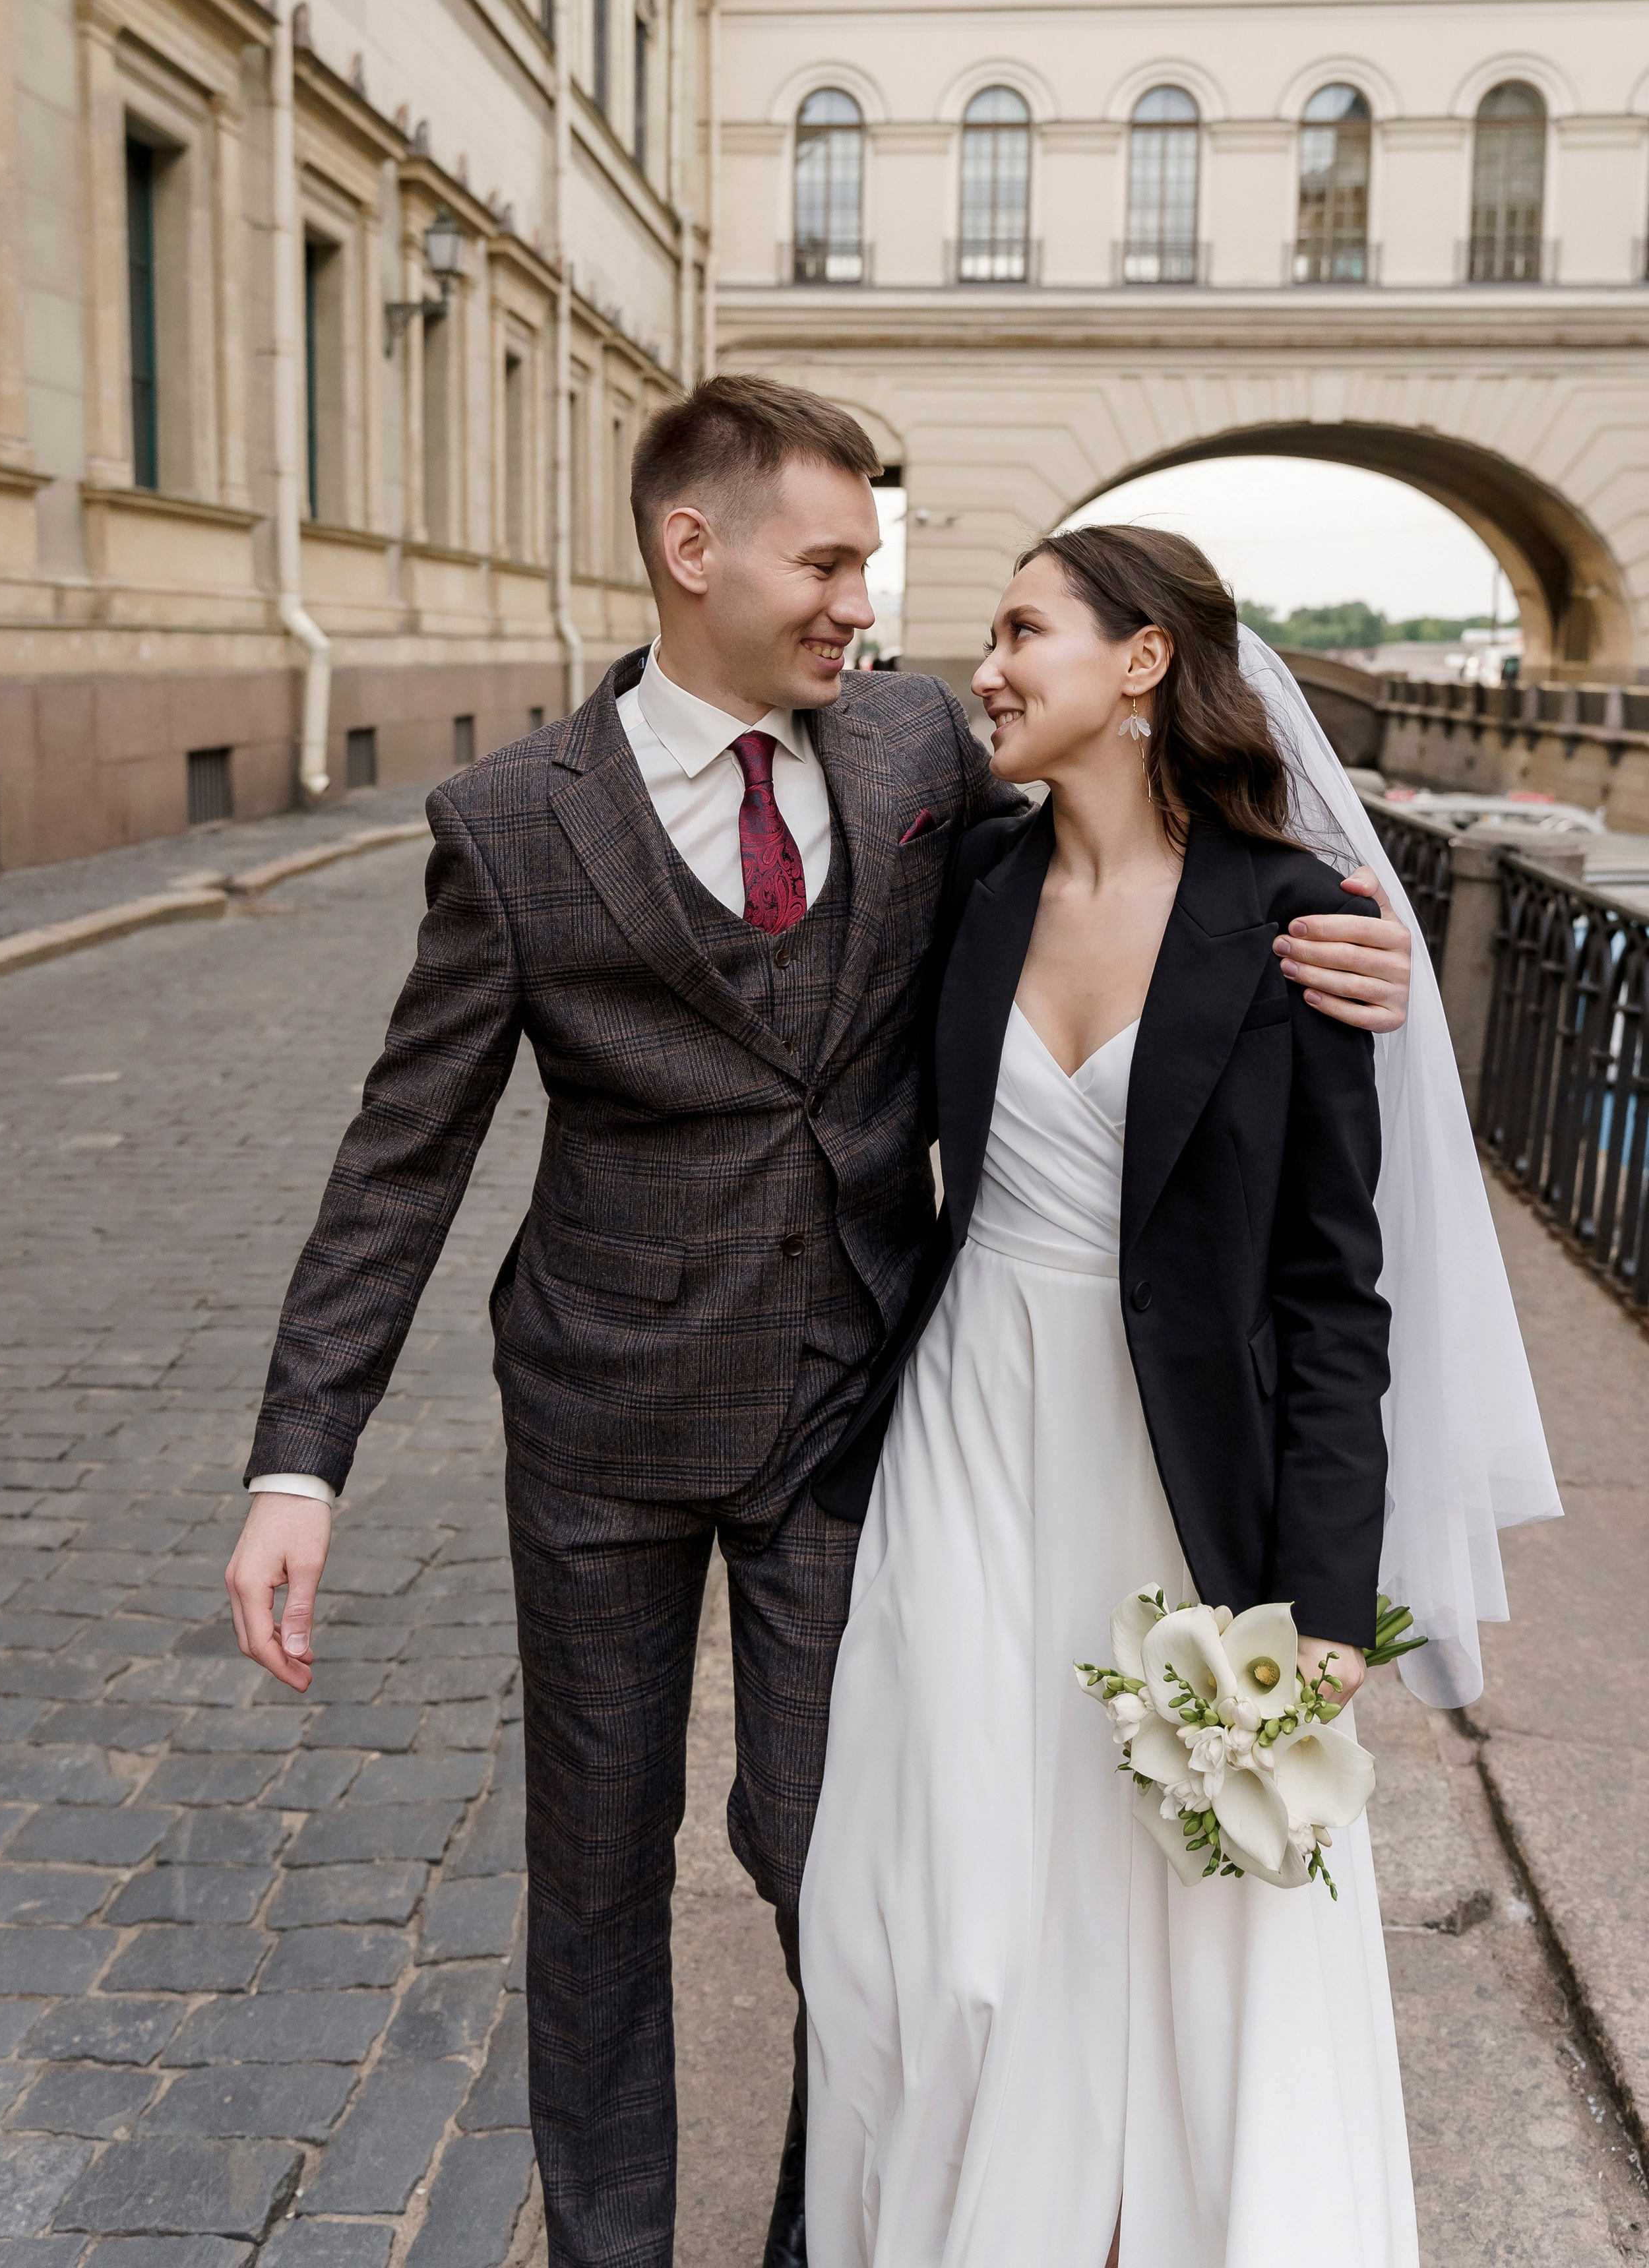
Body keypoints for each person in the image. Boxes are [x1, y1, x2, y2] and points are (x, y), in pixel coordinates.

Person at [223, 385, 1414, 2268]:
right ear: (695, 553)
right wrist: (304, 1460)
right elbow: (402, 1157)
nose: (873, 601)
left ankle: (826, 2231)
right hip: (602, 1414)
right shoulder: (514, 824)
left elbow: (1145, 887)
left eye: (880, 559)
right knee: (601, 1875)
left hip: (860, 1404)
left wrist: (1349, 937)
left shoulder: (920, 752)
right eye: (835, 559)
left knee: (829, 1850)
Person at [798, 522, 1557, 2268]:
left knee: (1179, 1889)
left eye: (1022, 631)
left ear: (1144, 665)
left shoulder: (1294, 923)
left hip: (1175, 1464)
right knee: (926, 1888)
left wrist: (1321, 1603)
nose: (985, 664)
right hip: (970, 1424)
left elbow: (1330, 1294)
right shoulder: (974, 880)